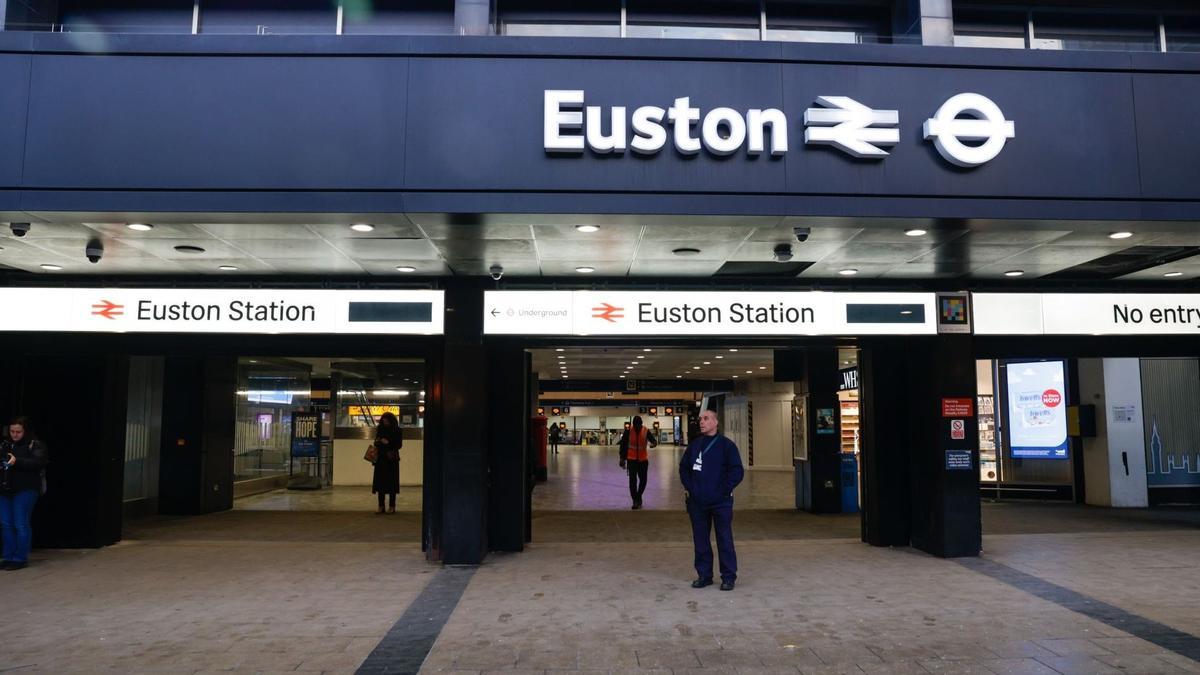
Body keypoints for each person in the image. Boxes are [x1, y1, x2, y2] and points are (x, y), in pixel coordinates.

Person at [678, 409, 744, 591]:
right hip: (697, 502)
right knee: (700, 540)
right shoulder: (694, 445)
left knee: (724, 539)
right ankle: (704, 575)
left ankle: (728, 577)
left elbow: (737, 471)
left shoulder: (727, 446)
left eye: (706, 419)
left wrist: (723, 490)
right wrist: (690, 487)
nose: (702, 422)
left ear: (716, 422)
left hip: (720, 502)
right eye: (700, 419)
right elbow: (683, 468)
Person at [0, 416, 48, 571]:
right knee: (6, 524)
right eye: (12, 431)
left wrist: (17, 461)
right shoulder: (5, 444)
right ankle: (8, 556)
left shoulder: (35, 445)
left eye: (18, 432)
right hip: (5, 490)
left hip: (26, 489)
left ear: (25, 431)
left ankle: (20, 557)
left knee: (20, 523)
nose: (15, 434)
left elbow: (38, 463)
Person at [618, 415, 657, 510]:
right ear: (633, 424)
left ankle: (638, 496)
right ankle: (635, 500)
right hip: (631, 460)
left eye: (639, 425)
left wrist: (653, 444)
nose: (637, 427)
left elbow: (653, 440)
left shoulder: (645, 430)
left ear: (641, 424)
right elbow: (623, 445)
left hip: (643, 460)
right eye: (635, 425)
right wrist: (622, 458)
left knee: (643, 481)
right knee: (632, 481)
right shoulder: (628, 431)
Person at [371, 412, 402, 514]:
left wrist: (388, 442)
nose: (385, 422)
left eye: (386, 421)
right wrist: (380, 441)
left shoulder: (397, 430)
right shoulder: (380, 429)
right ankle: (381, 506)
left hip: (391, 460)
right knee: (380, 483)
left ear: (391, 421)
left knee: (392, 483)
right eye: (383, 421)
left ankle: (392, 506)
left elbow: (399, 445)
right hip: (380, 459)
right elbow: (375, 442)